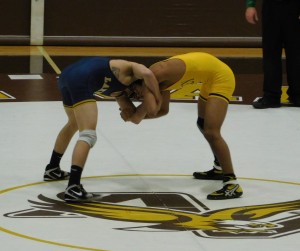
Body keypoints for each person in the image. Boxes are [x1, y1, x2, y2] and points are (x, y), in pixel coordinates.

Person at [119, 52, 243, 200]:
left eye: (135, 93)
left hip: (221, 76)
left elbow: (144, 114)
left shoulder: (155, 76)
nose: (137, 97)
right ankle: (219, 168)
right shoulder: (155, 80)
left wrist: (132, 115)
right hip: (210, 76)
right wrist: (133, 116)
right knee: (202, 124)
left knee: (211, 131)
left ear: (138, 82)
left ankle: (232, 183)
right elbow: (163, 111)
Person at [43, 56, 162, 202]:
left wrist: (139, 109)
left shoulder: (120, 91)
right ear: (142, 83)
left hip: (67, 77)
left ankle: (52, 168)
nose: (138, 96)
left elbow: (134, 118)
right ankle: (73, 187)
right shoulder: (130, 69)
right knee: (88, 135)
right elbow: (149, 74)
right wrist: (157, 97)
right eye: (140, 93)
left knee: (73, 123)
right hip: (80, 79)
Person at [245, 0, 300, 108]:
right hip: (271, 6)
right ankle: (271, 96)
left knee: (297, 53)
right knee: (271, 52)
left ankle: (298, 95)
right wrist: (250, 5)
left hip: (296, 7)